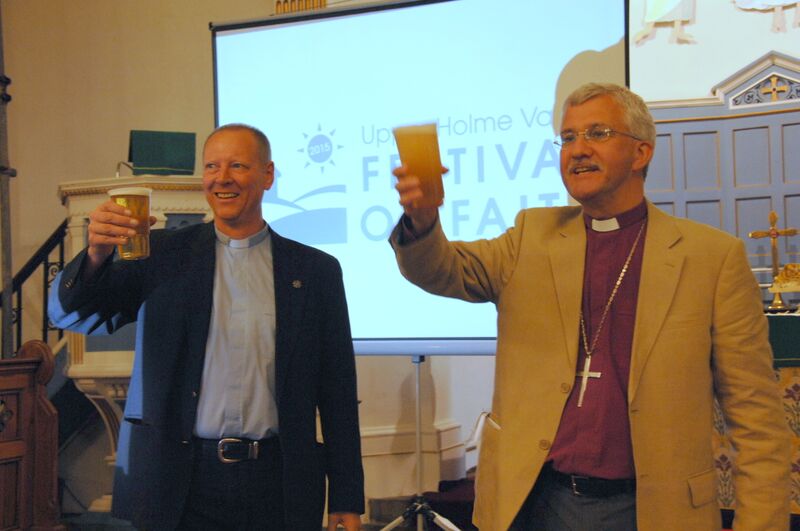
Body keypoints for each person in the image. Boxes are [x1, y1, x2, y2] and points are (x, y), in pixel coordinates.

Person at [389, 83, 790, 530]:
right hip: (533, 502)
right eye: (567, 138)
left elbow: (756, 421)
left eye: (596, 134)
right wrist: (423, 221)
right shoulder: (530, 236)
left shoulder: (711, 258)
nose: (577, 150)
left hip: (649, 509)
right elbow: (442, 270)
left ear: (641, 153)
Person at [49, 124, 364, 530]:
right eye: (212, 166)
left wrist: (346, 496)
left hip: (278, 482)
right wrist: (95, 254)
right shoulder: (160, 255)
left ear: (268, 175)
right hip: (181, 481)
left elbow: (337, 391)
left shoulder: (315, 271)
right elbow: (72, 315)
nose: (222, 177)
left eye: (237, 165)